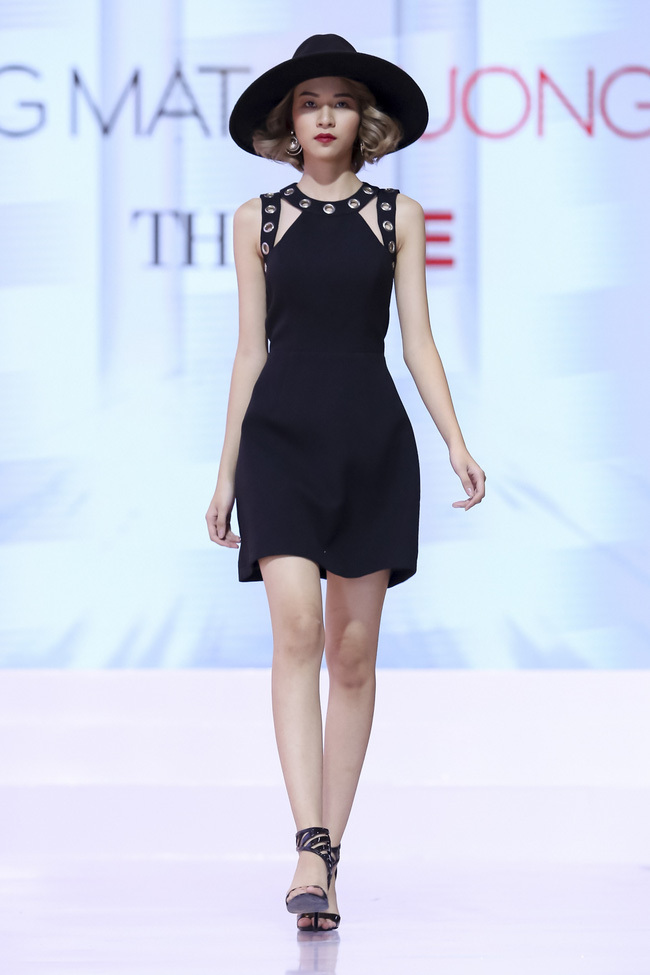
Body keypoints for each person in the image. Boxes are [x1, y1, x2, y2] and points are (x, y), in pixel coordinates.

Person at [205, 34, 486, 932]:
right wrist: (225, 473)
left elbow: (418, 342)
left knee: (352, 653)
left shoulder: (400, 216)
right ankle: (309, 844)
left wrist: (455, 440)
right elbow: (249, 352)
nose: (323, 114)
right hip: (279, 441)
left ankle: (329, 857)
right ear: (288, 121)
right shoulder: (257, 218)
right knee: (296, 627)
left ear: (362, 118)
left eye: (338, 100)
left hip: (372, 443)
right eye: (307, 101)